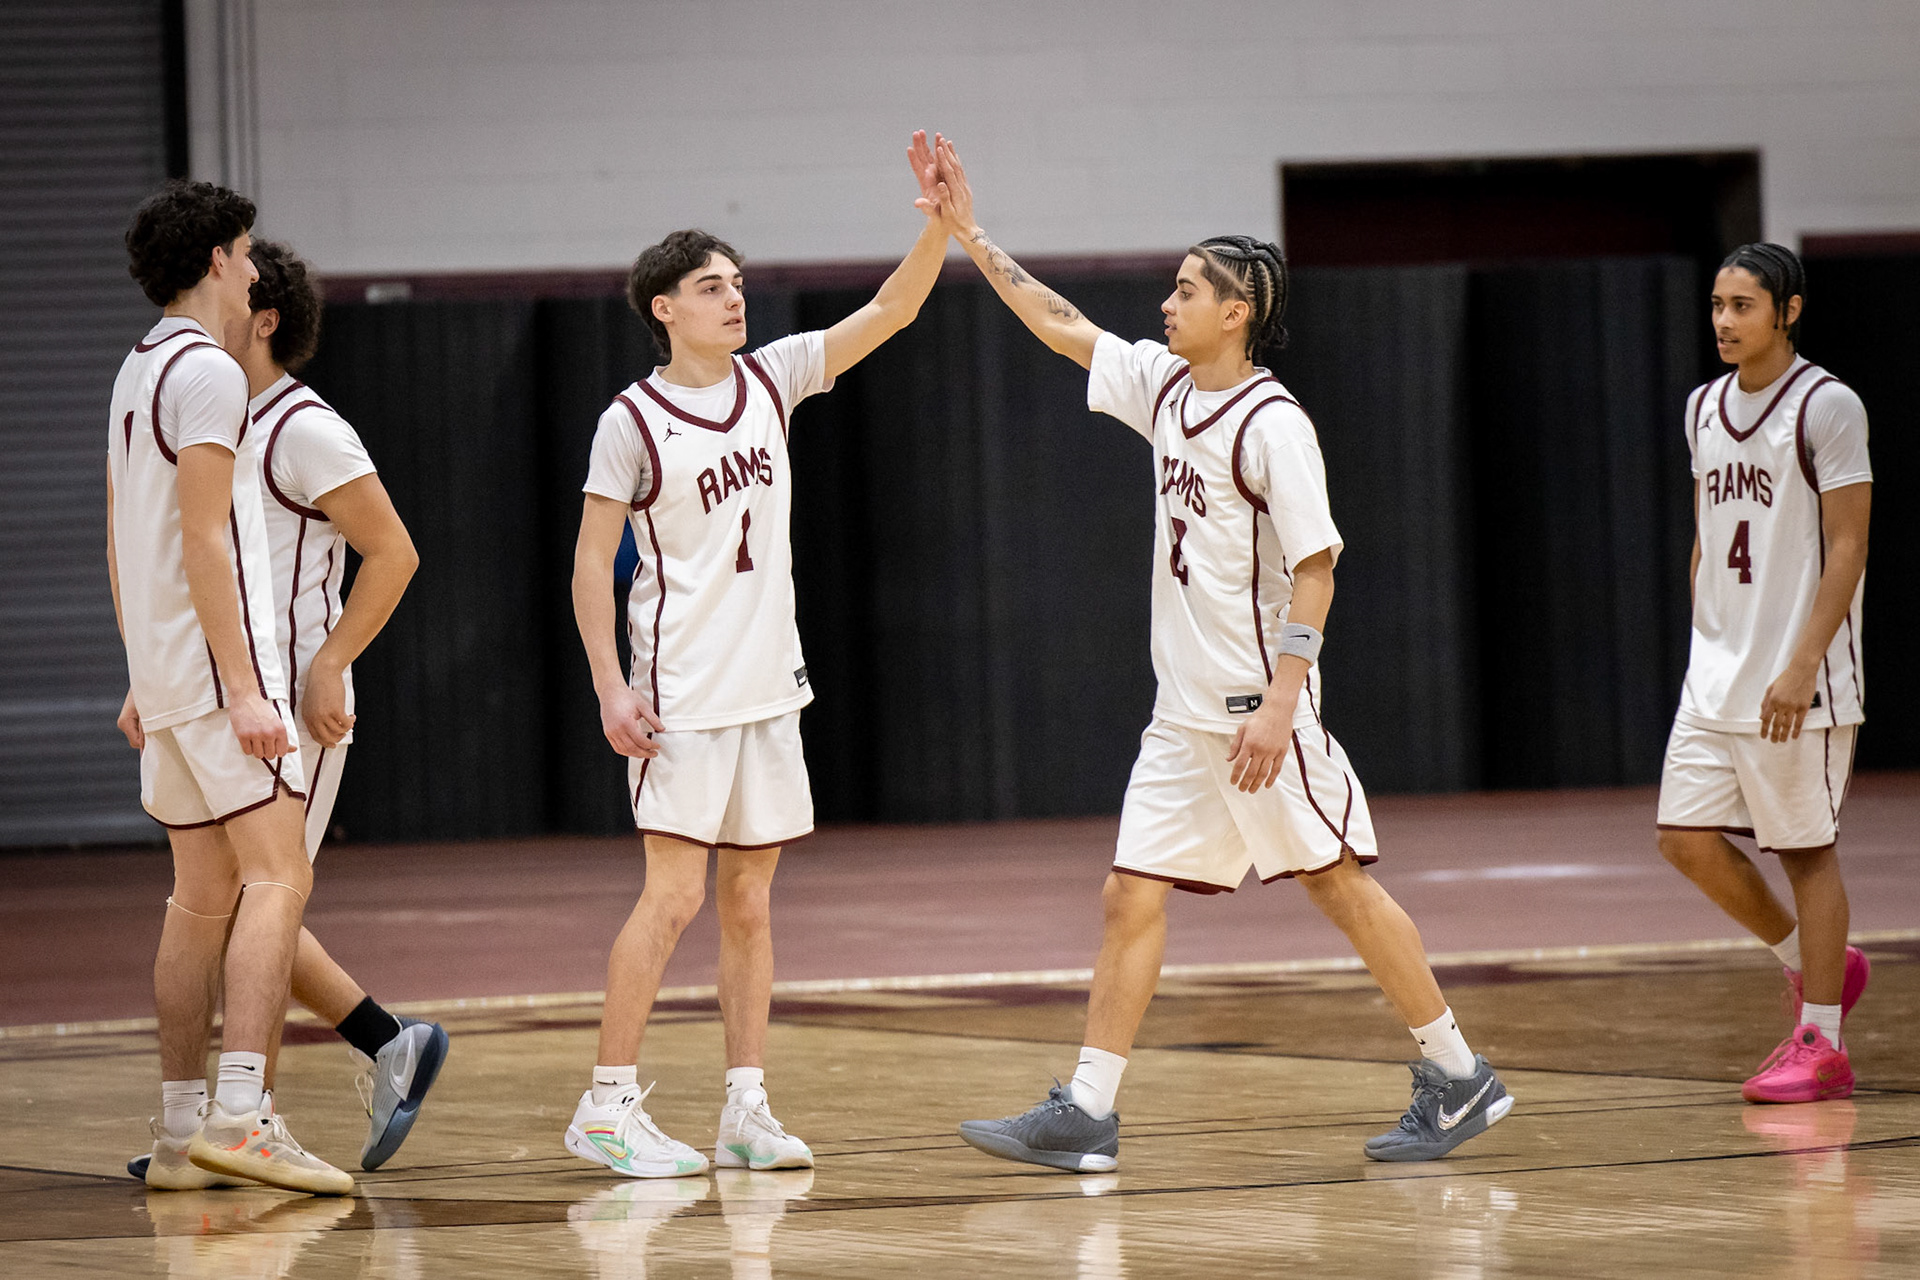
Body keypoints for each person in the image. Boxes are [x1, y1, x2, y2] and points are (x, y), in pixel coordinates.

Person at [922, 138, 1513, 1169]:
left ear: (1236, 311)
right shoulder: (1164, 388)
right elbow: (1062, 325)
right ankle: (1088, 1110)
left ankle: (1460, 1074)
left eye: (1188, 289)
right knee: (1129, 892)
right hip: (1183, 714)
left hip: (1256, 710)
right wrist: (969, 233)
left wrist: (1284, 701)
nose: (1168, 301)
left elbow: (1319, 570)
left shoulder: (1275, 425)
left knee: (1339, 887)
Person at [564, 131, 951, 1177]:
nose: (734, 299)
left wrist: (941, 227)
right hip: (680, 693)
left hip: (769, 688)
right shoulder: (631, 419)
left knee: (748, 902)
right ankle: (605, 1106)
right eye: (711, 287)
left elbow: (892, 311)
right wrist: (608, 686)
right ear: (664, 308)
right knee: (673, 898)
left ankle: (745, 1105)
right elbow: (590, 563)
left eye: (737, 283)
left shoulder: (773, 378)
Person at [124, 238, 447, 1182]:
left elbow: (395, 552)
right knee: (231, 904)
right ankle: (376, 1047)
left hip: (288, 695)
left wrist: (331, 663)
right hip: (219, 685)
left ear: (263, 319)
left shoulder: (306, 429)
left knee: (251, 902)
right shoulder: (198, 400)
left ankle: (246, 1116)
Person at [110, 181, 350, 1194]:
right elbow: (204, 536)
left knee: (199, 897)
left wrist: (141, 672)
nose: (255, 269)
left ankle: (179, 1135)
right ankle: (244, 1115)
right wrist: (247, 688)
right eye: (246, 251)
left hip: (170, 677)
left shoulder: (137, 366)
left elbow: (122, 535)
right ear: (215, 258)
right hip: (220, 677)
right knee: (278, 877)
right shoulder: (209, 371)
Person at [1655, 243, 1872, 1103]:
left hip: (1797, 675)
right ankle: (1815, 963)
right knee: (1683, 838)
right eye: (1717, 305)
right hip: (1718, 670)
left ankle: (1823, 1041)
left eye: (1742, 305)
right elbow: (1708, 534)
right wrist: (1705, 635)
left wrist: (1803, 661)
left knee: (1805, 853)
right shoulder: (1703, 407)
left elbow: (1848, 545)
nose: (1723, 321)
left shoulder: (1827, 406)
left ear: (1789, 311)